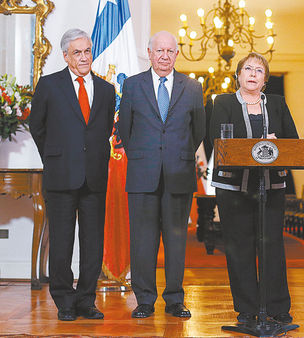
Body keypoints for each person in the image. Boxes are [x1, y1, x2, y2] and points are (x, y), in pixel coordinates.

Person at [118, 31, 205, 319]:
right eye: (159, 51)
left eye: (170, 51)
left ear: (176, 54)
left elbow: (198, 131)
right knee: (142, 240)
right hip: (142, 173)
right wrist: (145, 157)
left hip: (179, 173)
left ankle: (175, 300)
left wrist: (176, 155)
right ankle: (144, 300)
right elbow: (125, 131)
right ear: (149, 53)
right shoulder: (132, 86)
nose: (165, 56)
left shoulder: (192, 87)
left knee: (176, 240)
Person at [29, 28, 115, 321]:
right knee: (62, 242)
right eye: (76, 52)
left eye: (87, 51)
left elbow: (102, 130)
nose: (83, 57)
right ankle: (65, 300)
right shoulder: (49, 85)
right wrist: (55, 157)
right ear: (65, 56)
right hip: (60, 176)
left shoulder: (106, 90)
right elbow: (36, 127)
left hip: (94, 177)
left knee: (92, 244)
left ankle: (86, 300)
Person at [209, 52, 299, 324]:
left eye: (258, 70)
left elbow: (292, 141)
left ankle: (278, 306)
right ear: (238, 75)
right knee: (239, 247)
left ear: (265, 79)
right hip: (232, 187)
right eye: (247, 68)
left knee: (271, 246)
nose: (252, 74)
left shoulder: (277, 103)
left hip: (270, 186)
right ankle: (246, 309)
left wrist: (276, 142)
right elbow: (219, 140)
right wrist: (258, 143)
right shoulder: (223, 102)